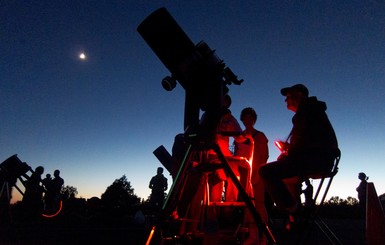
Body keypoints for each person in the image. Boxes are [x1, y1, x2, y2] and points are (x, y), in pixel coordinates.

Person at [259, 84, 339, 215]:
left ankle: (293, 211)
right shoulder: (312, 111)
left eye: (289, 96)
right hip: (320, 158)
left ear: (300, 95)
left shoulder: (306, 112)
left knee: (265, 171)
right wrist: (288, 149)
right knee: (284, 176)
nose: (286, 100)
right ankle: (294, 216)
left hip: (315, 160)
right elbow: (308, 142)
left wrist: (287, 153)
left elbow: (301, 146)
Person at [234, 107, 269, 244]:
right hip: (243, 173)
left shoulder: (260, 136)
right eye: (245, 118)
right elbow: (236, 154)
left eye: (250, 118)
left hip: (256, 172)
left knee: (259, 203)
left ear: (254, 120)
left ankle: (265, 236)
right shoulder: (239, 137)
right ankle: (253, 235)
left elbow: (264, 156)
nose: (247, 121)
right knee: (248, 204)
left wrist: (257, 173)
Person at [208, 94, 244, 202]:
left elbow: (239, 137)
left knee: (235, 175)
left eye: (225, 101)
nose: (222, 103)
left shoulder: (230, 118)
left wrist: (247, 135)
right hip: (212, 153)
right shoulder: (209, 115)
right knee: (219, 177)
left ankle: (230, 205)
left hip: (225, 153)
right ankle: (214, 206)